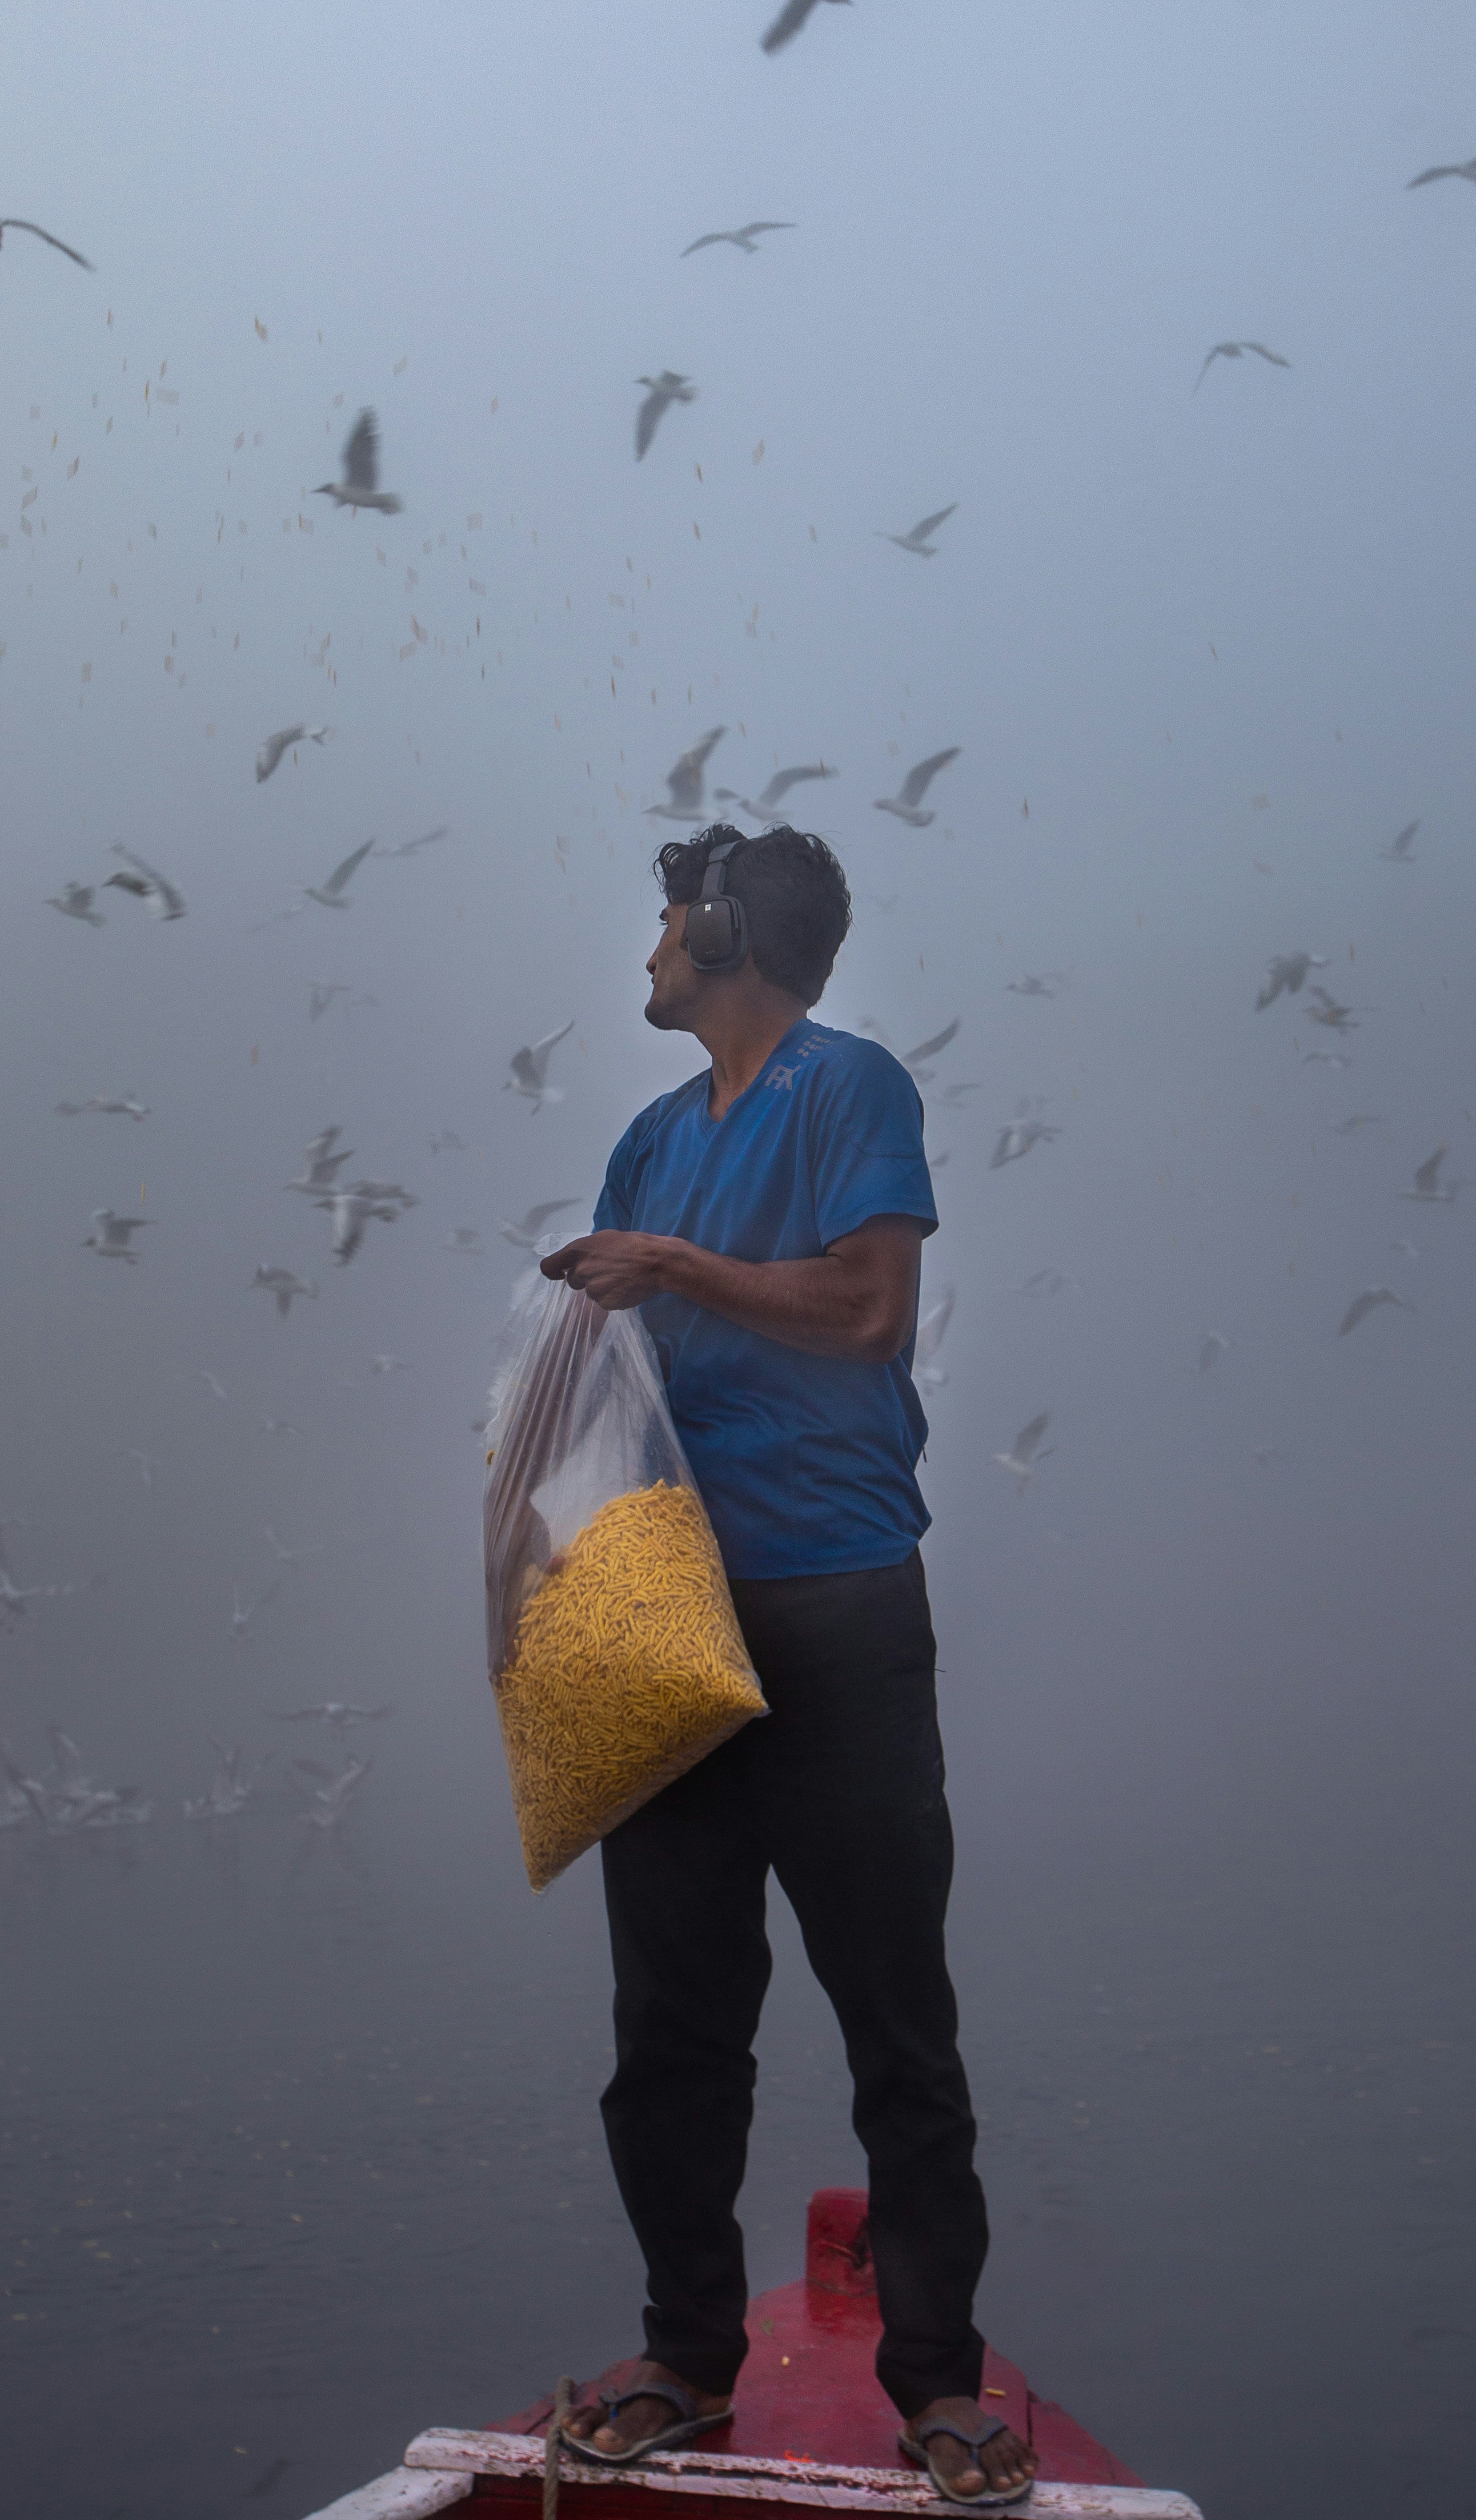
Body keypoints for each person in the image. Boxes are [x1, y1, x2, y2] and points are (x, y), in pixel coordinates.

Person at [539, 823, 1035, 2510]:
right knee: (670, 2022)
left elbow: (869, 1310)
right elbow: (608, 1390)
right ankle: (686, 2356)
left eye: (672, 917)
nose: (653, 944)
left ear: (732, 933)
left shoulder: (849, 1090)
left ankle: (940, 2383)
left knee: (895, 2012)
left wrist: (673, 1267)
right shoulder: (643, 1142)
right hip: (666, 1609)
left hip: (836, 1604)